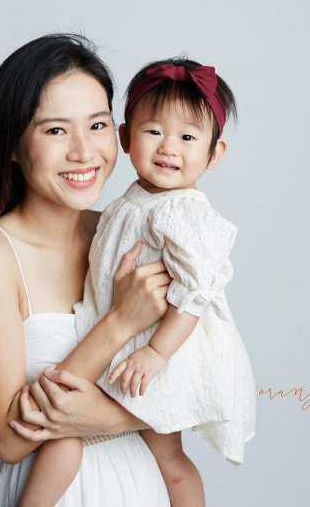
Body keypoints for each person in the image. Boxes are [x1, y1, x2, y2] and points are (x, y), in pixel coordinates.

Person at [0, 33, 172, 506]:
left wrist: (108, 418)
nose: (84, 153)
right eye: (55, 130)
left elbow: (189, 387)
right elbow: (8, 438)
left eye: (97, 125)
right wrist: (120, 324)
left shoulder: (126, 234)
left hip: (138, 487)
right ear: (11, 144)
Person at [16, 58, 257, 507]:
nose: (169, 148)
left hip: (159, 352)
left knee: (165, 459)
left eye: (188, 137)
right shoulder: (133, 202)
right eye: (153, 132)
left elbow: (197, 293)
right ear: (125, 137)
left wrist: (156, 352)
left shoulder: (184, 214)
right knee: (71, 437)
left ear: (214, 154)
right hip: (122, 344)